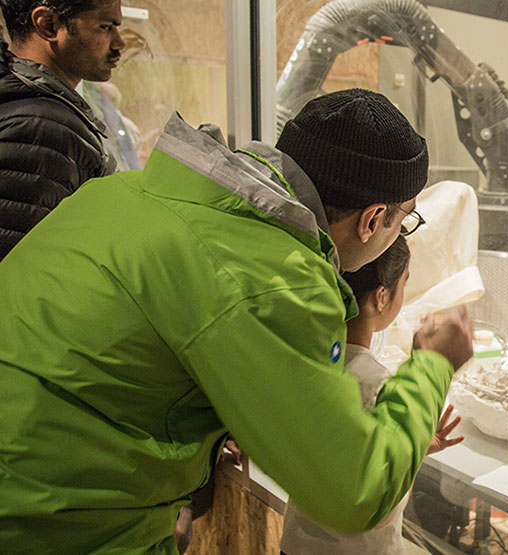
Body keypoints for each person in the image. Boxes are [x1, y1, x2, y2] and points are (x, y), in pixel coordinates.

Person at [0, 89, 473, 552]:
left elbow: (118, 354)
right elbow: (353, 492)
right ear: (372, 220)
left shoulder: (121, 193)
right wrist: (432, 366)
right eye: (404, 222)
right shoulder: (279, 278)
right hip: (61, 525)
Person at [282, 236, 465, 554]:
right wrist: (410, 430)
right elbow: (375, 497)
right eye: (404, 283)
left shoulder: (308, 364)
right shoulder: (376, 384)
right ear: (381, 297)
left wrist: (412, 445)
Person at [0, 0, 125, 259]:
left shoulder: (45, 112)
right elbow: (23, 269)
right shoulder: (39, 125)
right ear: (48, 24)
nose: (119, 43)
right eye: (105, 27)